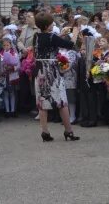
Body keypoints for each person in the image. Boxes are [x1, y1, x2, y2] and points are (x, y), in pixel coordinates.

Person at [32, 12, 78, 141]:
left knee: (43, 101)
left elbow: (46, 41)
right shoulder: (52, 37)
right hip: (52, 71)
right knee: (62, 101)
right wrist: (75, 32)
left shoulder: (37, 36)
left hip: (40, 71)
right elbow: (71, 44)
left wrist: (60, 35)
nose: (53, 24)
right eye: (51, 22)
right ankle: (68, 131)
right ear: (47, 25)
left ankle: (45, 132)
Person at [0, 37, 20, 117]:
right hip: (4, 75)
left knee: (12, 93)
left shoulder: (14, 53)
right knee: (5, 93)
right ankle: (7, 111)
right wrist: (3, 68)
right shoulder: (0, 54)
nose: (6, 47)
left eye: (7, 45)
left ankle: (13, 110)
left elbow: (18, 64)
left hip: (12, 75)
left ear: (10, 45)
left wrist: (12, 67)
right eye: (4, 45)